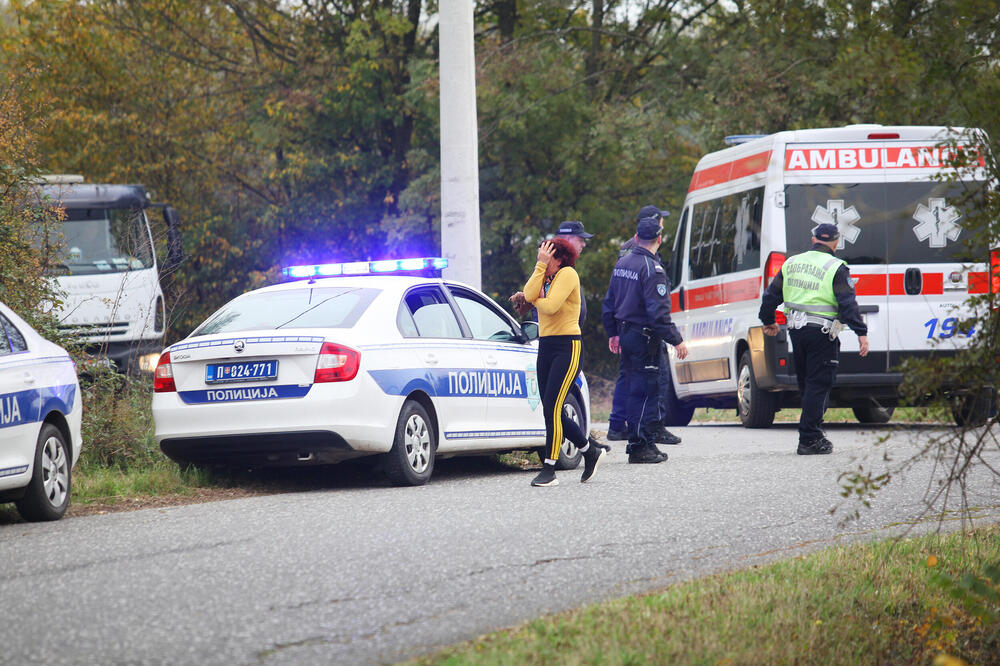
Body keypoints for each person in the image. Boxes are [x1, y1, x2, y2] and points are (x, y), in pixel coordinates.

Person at [758, 222, 870, 455]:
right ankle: (809, 438)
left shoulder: (792, 263)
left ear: (813, 239)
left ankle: (812, 433)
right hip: (821, 333)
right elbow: (847, 304)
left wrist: (768, 321)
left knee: (807, 384)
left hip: (796, 332)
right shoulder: (836, 267)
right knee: (819, 384)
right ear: (836, 242)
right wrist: (861, 332)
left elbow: (770, 297)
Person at [601, 206, 689, 464]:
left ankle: (642, 442)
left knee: (633, 390)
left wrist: (612, 332)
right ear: (659, 239)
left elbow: (609, 302)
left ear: (637, 237)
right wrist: (677, 339)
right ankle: (641, 446)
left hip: (626, 333)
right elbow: (658, 314)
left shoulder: (622, 263)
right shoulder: (653, 270)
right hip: (644, 337)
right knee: (646, 391)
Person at [522, 237, 607, 487]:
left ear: (558, 258)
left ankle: (550, 468)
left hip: (568, 346)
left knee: (552, 407)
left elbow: (549, 306)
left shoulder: (568, 274)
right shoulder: (544, 276)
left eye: (546, 256)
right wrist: (539, 269)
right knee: (551, 408)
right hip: (546, 345)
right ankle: (590, 451)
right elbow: (528, 294)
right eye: (541, 255)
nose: (542, 259)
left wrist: (535, 298)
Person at [509, 220, 594, 326]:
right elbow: (544, 302)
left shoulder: (564, 265)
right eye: (580, 239)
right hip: (554, 335)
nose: (583, 244)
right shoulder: (551, 264)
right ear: (568, 239)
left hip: (564, 333)